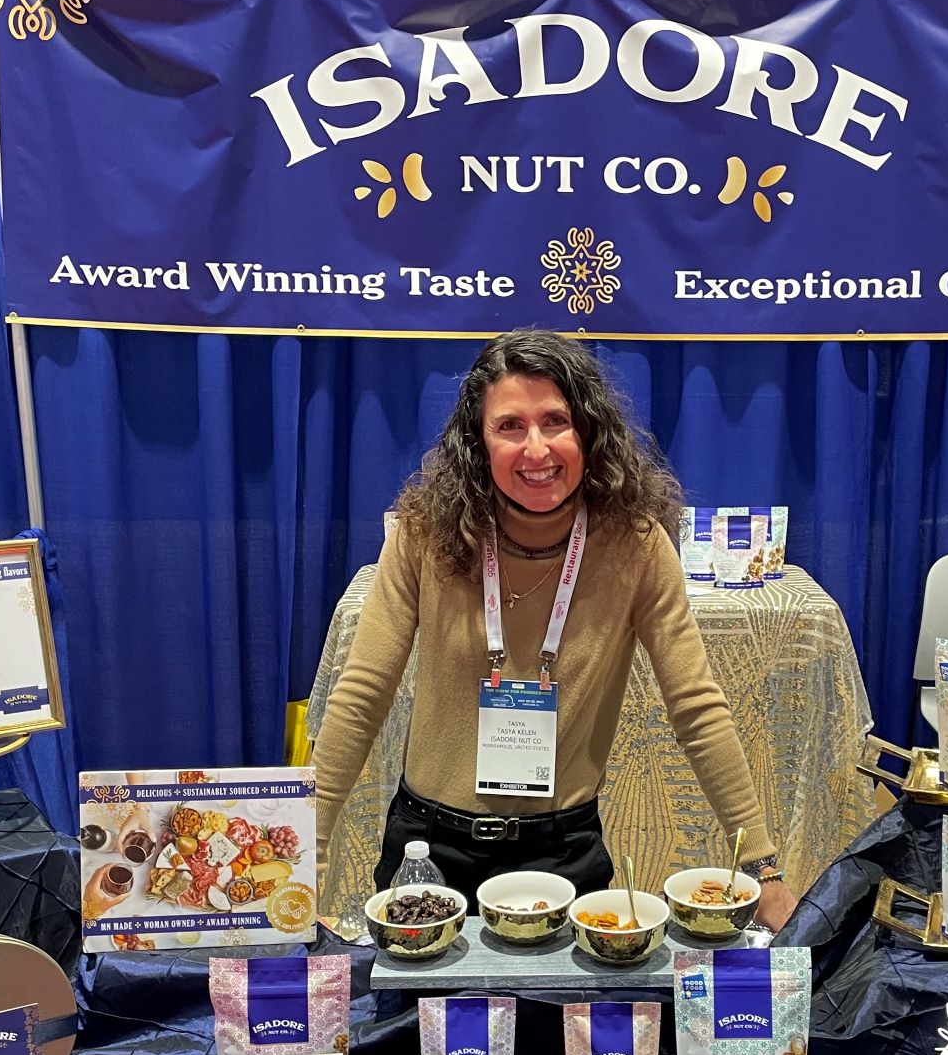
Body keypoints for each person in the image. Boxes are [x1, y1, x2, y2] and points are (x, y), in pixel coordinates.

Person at [313, 329, 797, 931]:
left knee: (569, 1029)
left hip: (562, 854)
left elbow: (697, 708)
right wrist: (312, 842)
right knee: (420, 1029)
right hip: (428, 855)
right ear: (478, 442)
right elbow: (361, 695)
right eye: (509, 425)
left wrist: (763, 868)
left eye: (555, 421)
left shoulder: (636, 545)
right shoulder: (424, 534)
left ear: (587, 433)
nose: (536, 448)